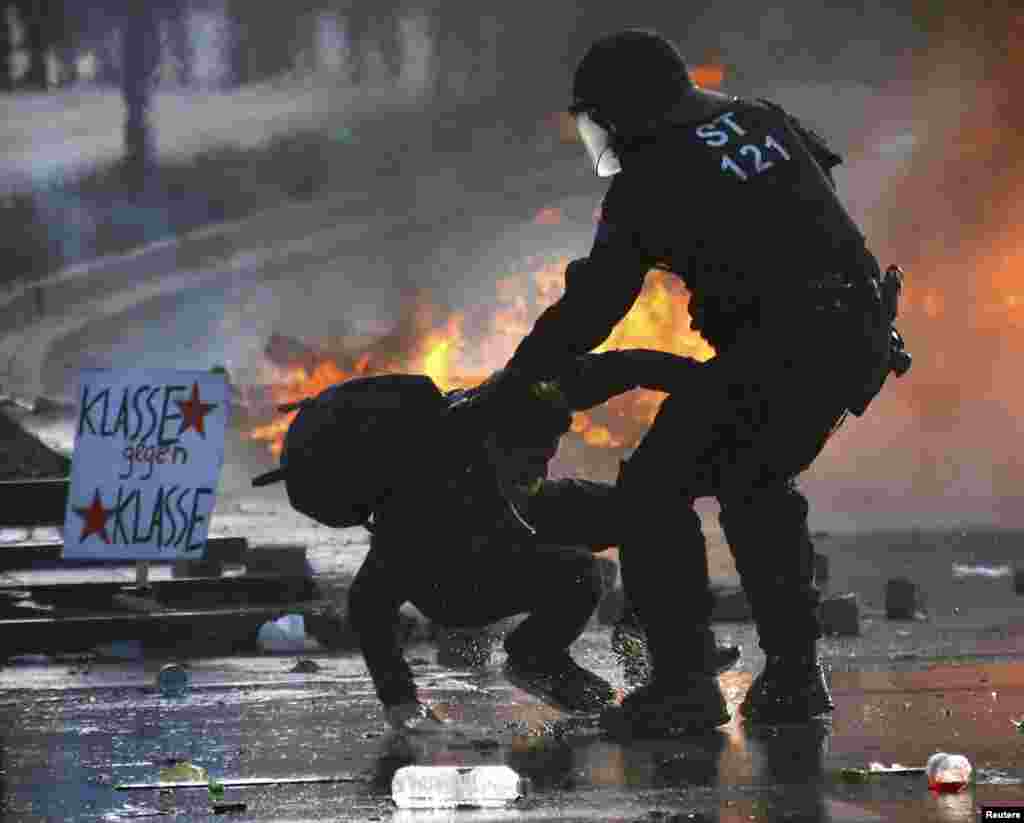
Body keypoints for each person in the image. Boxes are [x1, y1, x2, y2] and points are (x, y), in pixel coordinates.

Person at [449, 29, 910, 736]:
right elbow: (815, 207)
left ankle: (684, 684)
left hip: (783, 343)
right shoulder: (758, 117)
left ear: (630, 110)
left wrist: (514, 383)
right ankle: (792, 673)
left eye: (604, 119)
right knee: (753, 478)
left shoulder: (652, 174)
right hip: (857, 331)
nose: (606, 138)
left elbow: (592, 306)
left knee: (653, 488)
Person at [345, 349, 740, 731]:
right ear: (492, 444)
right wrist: (399, 699)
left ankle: (656, 645)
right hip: (453, 583)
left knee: (648, 510)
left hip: (513, 518)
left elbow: (626, 366)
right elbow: (366, 601)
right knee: (582, 572)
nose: (543, 464)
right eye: (530, 459)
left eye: (548, 453)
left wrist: (708, 380)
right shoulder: (428, 497)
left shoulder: (534, 395)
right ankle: (536, 656)